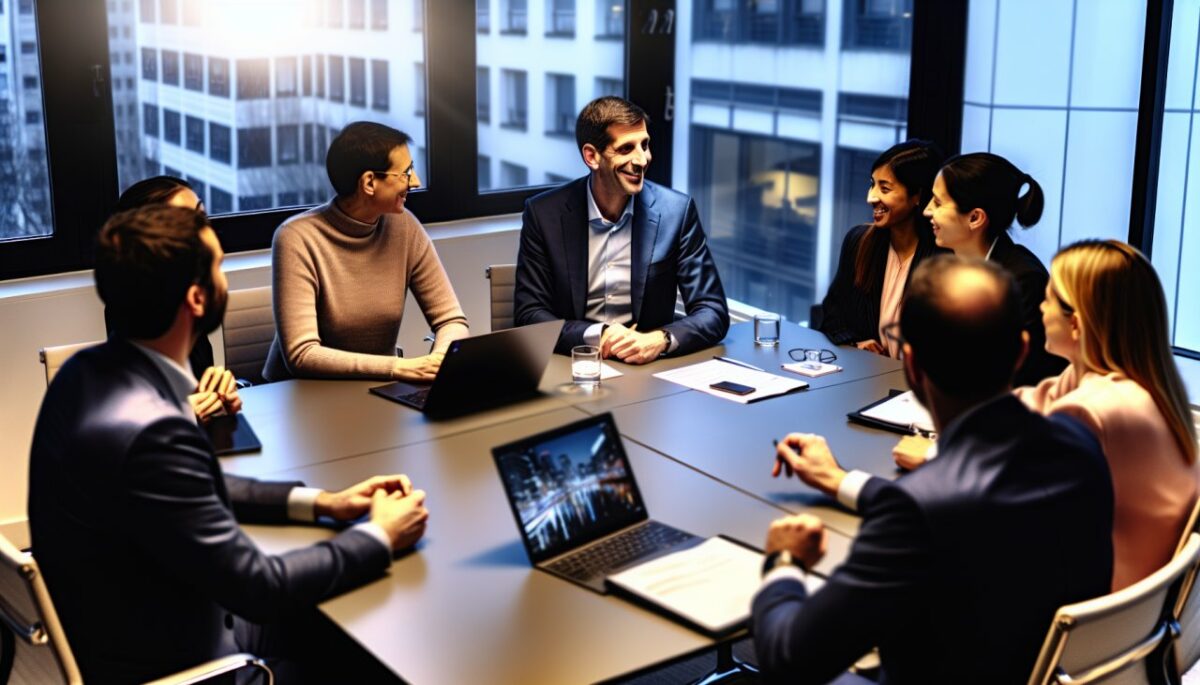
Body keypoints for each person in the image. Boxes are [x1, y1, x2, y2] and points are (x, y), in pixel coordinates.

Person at [28, 205, 430, 683]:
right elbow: (258, 587)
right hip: (189, 663)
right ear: (197, 298)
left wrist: (323, 502)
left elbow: (196, 484)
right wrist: (380, 535)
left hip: (138, 621)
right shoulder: (153, 431)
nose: (226, 278)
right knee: (378, 656)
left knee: (348, 625)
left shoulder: (85, 373)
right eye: (219, 267)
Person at [754, 256, 1113, 684]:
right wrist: (842, 480)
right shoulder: (1081, 447)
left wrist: (785, 561)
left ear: (911, 365)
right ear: (1021, 350)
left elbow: (790, 659)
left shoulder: (919, 512)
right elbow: (967, 510)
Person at [1013, 240, 1198, 590]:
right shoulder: (1136, 384)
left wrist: (937, 454)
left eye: (1049, 298)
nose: (1040, 307)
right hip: (1137, 605)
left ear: (1077, 325)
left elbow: (1021, 505)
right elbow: (1031, 402)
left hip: (1097, 608)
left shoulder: (1096, 409)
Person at [514, 96, 729, 363]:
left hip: (648, 369)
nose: (642, 159)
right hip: (573, 364)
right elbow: (529, 314)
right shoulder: (543, 214)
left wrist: (660, 339)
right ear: (592, 156)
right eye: (626, 149)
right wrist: (599, 335)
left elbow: (713, 311)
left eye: (645, 145)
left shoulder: (677, 212)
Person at [263, 121, 468, 382]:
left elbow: (451, 319)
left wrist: (439, 360)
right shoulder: (296, 238)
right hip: (302, 396)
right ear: (369, 182)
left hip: (375, 389)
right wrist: (399, 367)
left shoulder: (405, 226)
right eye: (405, 172)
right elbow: (303, 354)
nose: (415, 182)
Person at [923, 152, 1065, 385]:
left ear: (975, 218)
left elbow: (1018, 377)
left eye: (938, 203)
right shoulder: (945, 267)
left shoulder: (1023, 280)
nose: (927, 211)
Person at [106, 175, 239, 423]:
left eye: (202, 217)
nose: (205, 232)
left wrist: (216, 396)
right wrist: (180, 416)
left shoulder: (185, 310)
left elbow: (192, 392)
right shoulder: (135, 321)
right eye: (188, 225)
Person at [817, 140, 945, 358]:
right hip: (867, 376)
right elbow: (832, 314)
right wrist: (856, 342)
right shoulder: (858, 241)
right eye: (872, 184)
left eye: (884, 188)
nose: (871, 197)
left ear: (917, 197)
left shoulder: (944, 259)